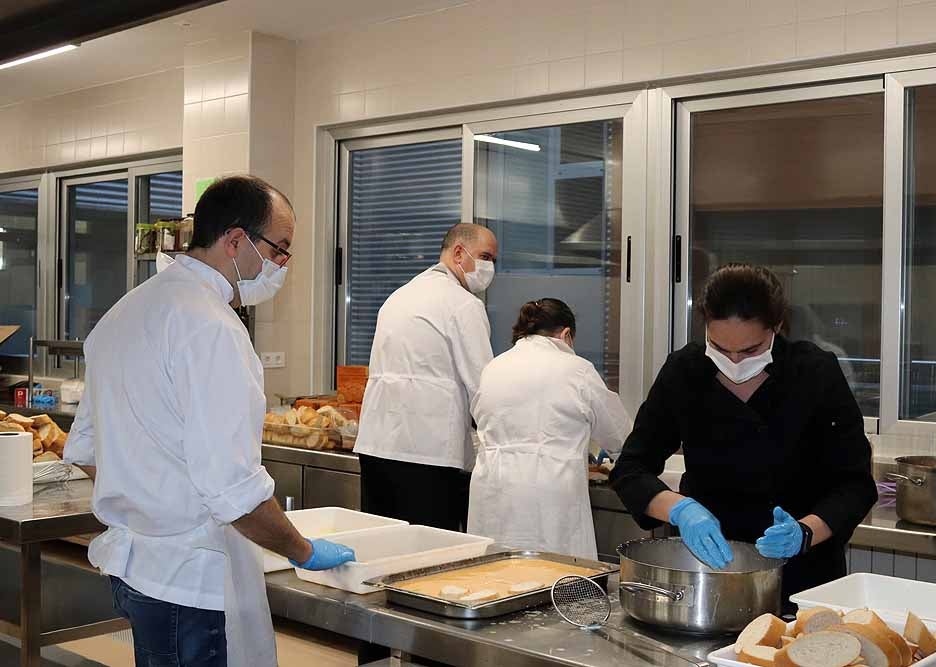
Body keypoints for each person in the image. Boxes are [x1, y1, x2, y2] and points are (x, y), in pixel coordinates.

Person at [63, 176, 355, 667]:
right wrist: (302, 550)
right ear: (236, 240)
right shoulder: (212, 327)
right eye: (280, 249)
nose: (283, 265)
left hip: (135, 571)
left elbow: (87, 451)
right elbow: (233, 492)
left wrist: (148, 500)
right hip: (190, 583)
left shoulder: (123, 313)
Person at [609, 263, 876, 607]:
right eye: (719, 348)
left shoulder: (814, 373)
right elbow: (631, 469)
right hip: (707, 573)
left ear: (776, 328)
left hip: (802, 576)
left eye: (749, 350)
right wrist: (681, 510)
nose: (734, 361)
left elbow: (855, 485)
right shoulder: (685, 371)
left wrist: (805, 532)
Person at [354, 223, 497, 530]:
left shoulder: (399, 297)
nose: (490, 267)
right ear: (459, 253)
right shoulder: (463, 305)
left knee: (383, 550)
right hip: (428, 456)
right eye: (486, 257)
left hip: (377, 448)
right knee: (429, 559)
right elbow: (484, 388)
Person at [468, 299, 630, 560]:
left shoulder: (493, 367)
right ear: (566, 334)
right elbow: (621, 438)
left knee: (497, 579)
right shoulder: (577, 370)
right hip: (551, 495)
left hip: (493, 492)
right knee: (558, 582)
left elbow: (481, 419)